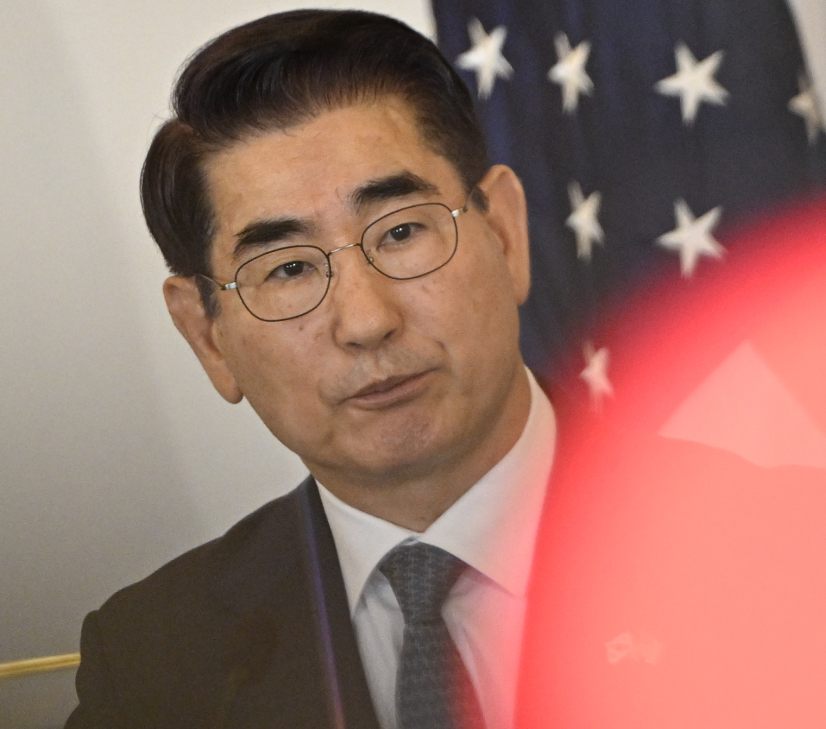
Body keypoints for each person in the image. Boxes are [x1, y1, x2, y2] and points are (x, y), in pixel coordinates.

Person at [67, 10, 549, 729]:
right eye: (288, 269)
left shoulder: (735, 535)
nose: (367, 321)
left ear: (504, 234)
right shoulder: (152, 660)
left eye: (402, 232)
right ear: (207, 337)